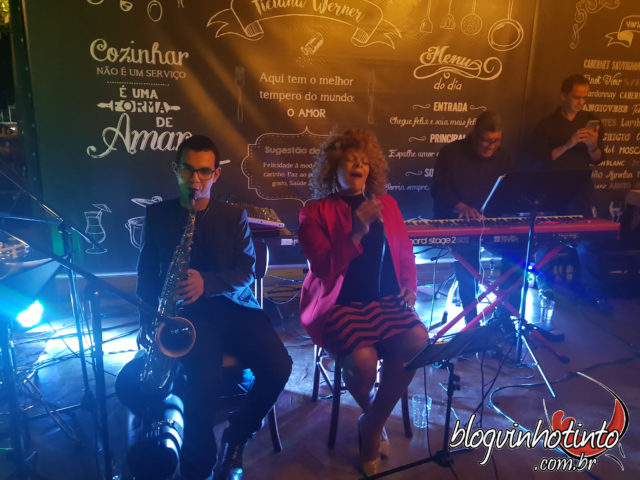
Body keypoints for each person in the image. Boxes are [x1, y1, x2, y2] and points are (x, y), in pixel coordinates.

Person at [136, 135, 292, 480]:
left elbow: (247, 270)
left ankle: (237, 437)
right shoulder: (158, 215)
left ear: (216, 174)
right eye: (188, 170)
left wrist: (207, 283)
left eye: (204, 172)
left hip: (235, 309)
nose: (195, 180)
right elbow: (146, 272)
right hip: (189, 317)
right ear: (176, 169)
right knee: (202, 388)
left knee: (280, 366)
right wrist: (146, 319)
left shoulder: (234, 216)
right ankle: (198, 469)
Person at [298, 129, 428, 476]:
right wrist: (355, 232)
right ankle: (374, 416)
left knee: (417, 339)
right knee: (363, 360)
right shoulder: (314, 212)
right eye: (350, 160)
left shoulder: (387, 205)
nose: (359, 165)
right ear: (334, 168)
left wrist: (410, 287)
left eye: (364, 161)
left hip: (385, 301)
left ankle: (370, 424)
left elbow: (404, 252)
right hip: (339, 305)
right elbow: (323, 268)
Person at [530, 74, 611, 314]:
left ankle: (594, 294)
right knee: (545, 242)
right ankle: (545, 289)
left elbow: (598, 159)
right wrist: (570, 142)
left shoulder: (591, 121)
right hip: (551, 191)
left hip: (580, 192)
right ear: (563, 96)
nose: (581, 102)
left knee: (587, 243)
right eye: (577, 97)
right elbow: (541, 160)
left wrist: (592, 145)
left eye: (585, 97)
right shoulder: (546, 125)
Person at [431, 111, 521, 325]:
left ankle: (507, 316)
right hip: (457, 223)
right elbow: (438, 189)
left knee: (519, 253)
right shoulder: (450, 153)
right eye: (486, 141)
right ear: (473, 135)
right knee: (467, 259)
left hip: (492, 222)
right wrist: (461, 207)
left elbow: (511, 190)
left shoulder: (504, 157)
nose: (491, 146)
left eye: (496, 141)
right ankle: (471, 321)